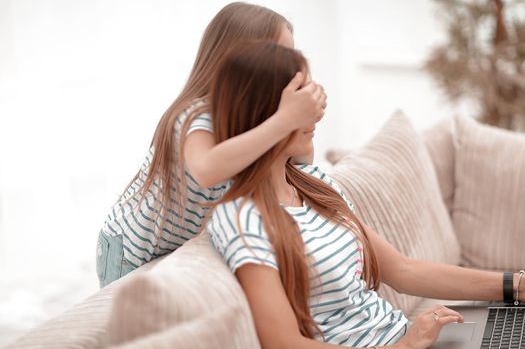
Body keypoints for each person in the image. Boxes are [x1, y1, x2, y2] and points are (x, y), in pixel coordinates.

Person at [205, 40, 525, 348]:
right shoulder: (240, 216)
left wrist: (514, 285)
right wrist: (404, 348)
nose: (316, 113)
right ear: (265, 112)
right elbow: (283, 343)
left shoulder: (315, 184)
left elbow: (403, 271)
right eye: (301, 100)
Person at [95, 2, 327, 288]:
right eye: (281, 57)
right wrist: (285, 119)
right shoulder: (196, 114)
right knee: (130, 326)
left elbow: (300, 169)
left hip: (178, 249)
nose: (290, 72)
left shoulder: (257, 122)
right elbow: (207, 169)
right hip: (130, 248)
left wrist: (303, 126)